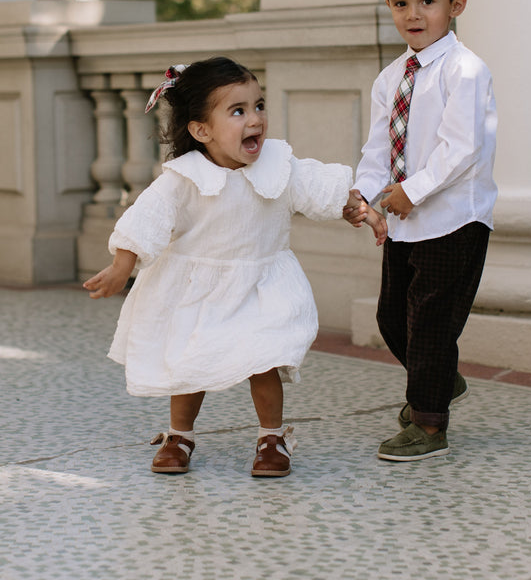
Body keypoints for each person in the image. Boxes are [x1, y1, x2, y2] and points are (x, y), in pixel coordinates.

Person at [84, 57, 386, 478]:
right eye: (238, 111)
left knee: (264, 359)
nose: (256, 119)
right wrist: (122, 264)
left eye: (259, 105)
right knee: (190, 363)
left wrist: (358, 209)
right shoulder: (181, 178)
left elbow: (317, 188)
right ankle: (179, 435)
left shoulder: (279, 165)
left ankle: (272, 438)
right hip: (197, 291)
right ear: (201, 130)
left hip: (261, 284)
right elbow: (146, 217)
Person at [344, 0, 497, 461]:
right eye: (400, 2)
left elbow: (462, 148)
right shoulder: (391, 78)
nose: (413, 13)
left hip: (455, 220)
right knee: (393, 318)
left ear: (456, 5)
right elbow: (378, 148)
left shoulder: (466, 71)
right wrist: (365, 197)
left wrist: (413, 190)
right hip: (406, 224)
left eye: (427, 1)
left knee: (430, 322)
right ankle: (439, 380)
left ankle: (429, 425)